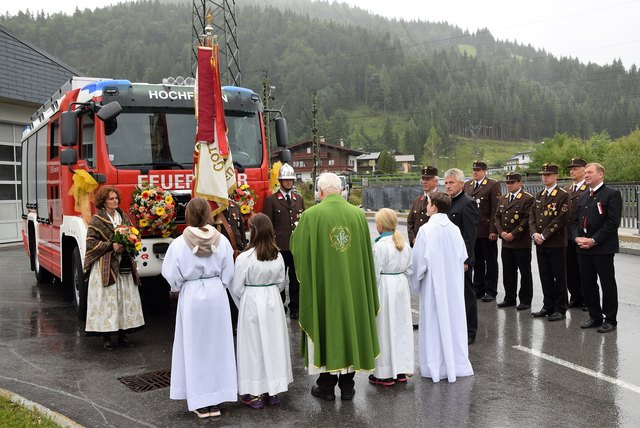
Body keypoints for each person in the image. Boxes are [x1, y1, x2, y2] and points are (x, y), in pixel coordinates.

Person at [290, 172, 379, 401]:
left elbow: (296, 249)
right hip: (352, 286)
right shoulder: (358, 215)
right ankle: (348, 387)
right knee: (351, 324)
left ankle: (327, 386)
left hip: (325, 286)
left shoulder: (311, 215)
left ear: (319, 192)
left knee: (326, 325)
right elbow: (365, 255)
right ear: (341, 190)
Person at [162, 198, 237, 419]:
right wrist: (219, 284)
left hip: (193, 295)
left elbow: (171, 274)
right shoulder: (221, 240)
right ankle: (215, 400)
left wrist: (179, 286)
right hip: (216, 294)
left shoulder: (178, 243)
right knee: (217, 346)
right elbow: (229, 271)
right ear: (207, 214)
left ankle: (200, 402)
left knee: (195, 348)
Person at [230, 213, 293, 409]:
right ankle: (272, 391)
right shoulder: (277, 255)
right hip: (272, 300)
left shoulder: (245, 257)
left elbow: (236, 287)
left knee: (253, 347)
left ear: (253, 232)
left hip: (252, 299)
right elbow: (282, 283)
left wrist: (244, 305)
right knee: (273, 345)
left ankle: (254, 394)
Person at [411, 191, 474, 383]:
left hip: (434, 285)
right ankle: (456, 364)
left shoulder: (426, 230)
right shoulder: (454, 229)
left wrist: (414, 283)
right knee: (453, 321)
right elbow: (462, 256)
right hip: (453, 285)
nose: (426, 206)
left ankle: (435, 365)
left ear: (434, 206)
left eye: (428, 203)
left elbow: (419, 262)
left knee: (434, 322)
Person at [84, 185, 144, 351]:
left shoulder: (123, 217)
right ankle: (107, 336)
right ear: (104, 202)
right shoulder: (97, 220)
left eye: (116, 198)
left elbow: (134, 234)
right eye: (111, 198)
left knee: (124, 299)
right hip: (105, 265)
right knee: (108, 301)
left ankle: (123, 334)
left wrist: (130, 244)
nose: (115, 200)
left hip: (123, 266)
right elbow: (90, 243)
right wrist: (112, 246)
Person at [572, 163, 622, 333]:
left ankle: (610, 319)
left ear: (601, 174)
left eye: (590, 172)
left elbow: (612, 223)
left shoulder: (612, 194)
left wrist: (593, 240)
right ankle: (595, 316)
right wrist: (576, 237)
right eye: (585, 172)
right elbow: (575, 221)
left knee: (607, 284)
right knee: (588, 283)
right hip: (583, 247)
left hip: (602, 248)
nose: (586, 175)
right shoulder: (584, 196)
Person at [369, 208, 414, 387]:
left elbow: (374, 272)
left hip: (385, 286)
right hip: (401, 284)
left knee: (384, 327)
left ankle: (385, 372)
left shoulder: (379, 245)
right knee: (400, 327)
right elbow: (410, 269)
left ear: (379, 225)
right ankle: (401, 370)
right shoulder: (402, 242)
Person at [262, 163, 305, 319]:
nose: (288, 182)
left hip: (296, 247)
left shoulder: (299, 199)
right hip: (279, 247)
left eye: (290, 180)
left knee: (295, 279)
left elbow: (303, 222)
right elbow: (267, 225)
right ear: (280, 181)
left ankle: (295, 307)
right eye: (285, 180)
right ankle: (280, 306)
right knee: (279, 279)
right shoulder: (271, 200)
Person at [529, 163, 570, 322]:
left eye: (548, 174)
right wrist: (534, 234)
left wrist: (544, 235)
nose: (544, 177)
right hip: (540, 242)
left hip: (555, 242)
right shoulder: (539, 194)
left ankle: (560, 308)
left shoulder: (562, 195)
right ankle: (548, 305)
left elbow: (562, 218)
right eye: (543, 175)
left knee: (559, 277)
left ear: (556, 176)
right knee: (545, 275)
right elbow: (532, 217)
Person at [444, 168, 479, 345]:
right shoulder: (447, 203)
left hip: (461, 259)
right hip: (448, 258)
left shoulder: (467, 203)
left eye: (451, 182)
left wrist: (466, 260)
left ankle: (470, 331)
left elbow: (469, 235)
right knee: (453, 296)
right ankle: (456, 328)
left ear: (461, 183)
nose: (448, 186)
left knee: (466, 295)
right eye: (446, 183)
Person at [493, 172, 534, 310]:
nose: (509, 185)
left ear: (519, 183)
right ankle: (509, 298)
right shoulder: (503, 198)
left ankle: (525, 300)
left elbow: (527, 219)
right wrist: (501, 232)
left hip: (520, 242)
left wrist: (514, 234)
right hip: (506, 241)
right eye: (508, 183)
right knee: (508, 272)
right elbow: (497, 217)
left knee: (524, 272)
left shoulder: (527, 199)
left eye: (512, 182)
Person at [463, 160, 501, 302]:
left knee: (490, 261)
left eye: (478, 170)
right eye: (474, 170)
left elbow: (495, 209)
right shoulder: (468, 185)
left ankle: (490, 290)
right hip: (473, 231)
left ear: (485, 171)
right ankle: (478, 288)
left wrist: (494, 230)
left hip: (486, 230)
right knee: (476, 261)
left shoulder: (492, 185)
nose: (475, 172)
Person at [212, 198, 248, 333]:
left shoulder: (234, 206)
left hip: (236, 253)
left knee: (238, 287)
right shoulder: (213, 206)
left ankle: (239, 320)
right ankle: (230, 322)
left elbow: (241, 230)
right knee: (227, 290)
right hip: (221, 255)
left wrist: (244, 247)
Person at [565, 158, 588, 311]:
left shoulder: (588, 188)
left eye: (575, 168)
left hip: (582, 235)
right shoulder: (566, 190)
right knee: (570, 269)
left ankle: (587, 299)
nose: (572, 171)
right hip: (567, 236)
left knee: (584, 269)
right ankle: (575, 297)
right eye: (571, 169)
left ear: (584, 170)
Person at [407, 166, 438, 247]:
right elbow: (410, 222)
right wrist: (413, 239)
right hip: (417, 245)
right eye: (423, 179)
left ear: (436, 181)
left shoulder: (441, 199)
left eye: (427, 179)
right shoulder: (417, 201)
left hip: (433, 245)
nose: (424, 182)